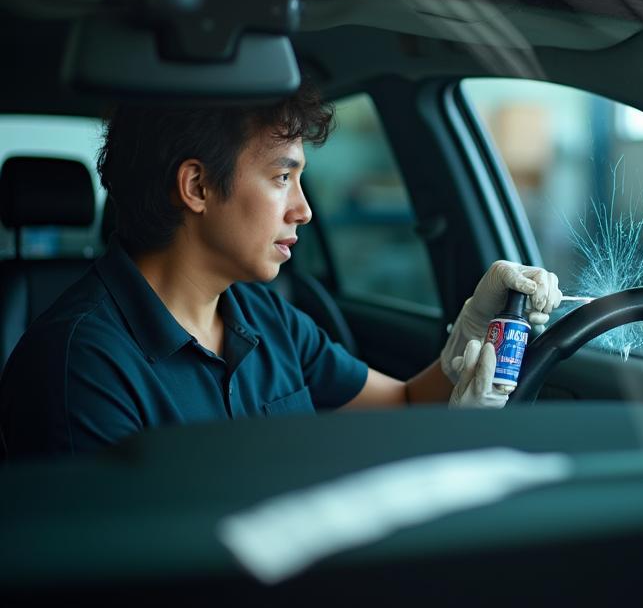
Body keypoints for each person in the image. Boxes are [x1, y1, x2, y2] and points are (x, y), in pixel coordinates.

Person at [0, 84, 560, 459]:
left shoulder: (264, 316)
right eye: (280, 178)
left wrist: (474, 333)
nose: (304, 209)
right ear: (196, 186)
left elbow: (405, 405)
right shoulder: (79, 365)